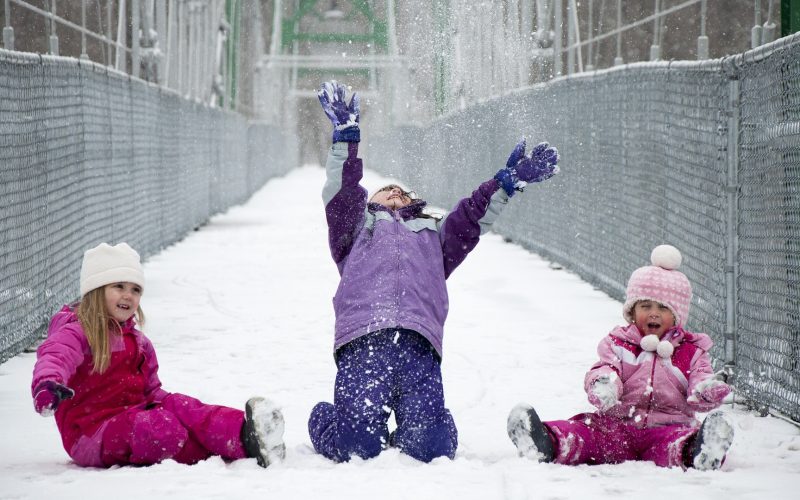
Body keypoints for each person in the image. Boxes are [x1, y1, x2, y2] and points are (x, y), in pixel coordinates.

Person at [308, 80, 560, 463]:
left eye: (403, 193)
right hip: (364, 341)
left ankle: (429, 427)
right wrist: (346, 138)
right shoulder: (353, 231)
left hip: (419, 344)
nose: (395, 194)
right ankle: (327, 420)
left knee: (431, 449)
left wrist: (504, 185)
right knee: (356, 446)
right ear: (368, 203)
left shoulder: (434, 237)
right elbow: (342, 189)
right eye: (385, 192)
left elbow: (472, 217)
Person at [31, 242, 286, 468]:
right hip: (91, 433)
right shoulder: (77, 331)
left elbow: (151, 391)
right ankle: (219, 449)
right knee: (160, 427)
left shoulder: (139, 342)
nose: (128, 295)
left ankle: (245, 433)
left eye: (135, 290)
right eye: (119, 286)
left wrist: (178, 408)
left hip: (132, 414)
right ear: (96, 290)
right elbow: (55, 356)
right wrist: (47, 386)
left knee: (184, 408)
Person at [507, 244, 734, 470]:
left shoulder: (691, 351)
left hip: (667, 427)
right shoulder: (619, 343)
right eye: (645, 305)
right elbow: (606, 367)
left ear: (677, 317)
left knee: (674, 445)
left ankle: (699, 451)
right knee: (585, 433)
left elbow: (700, 381)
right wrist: (604, 384)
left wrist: (707, 390)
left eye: (663, 309)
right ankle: (545, 442)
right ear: (632, 312)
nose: (653, 313)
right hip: (617, 427)